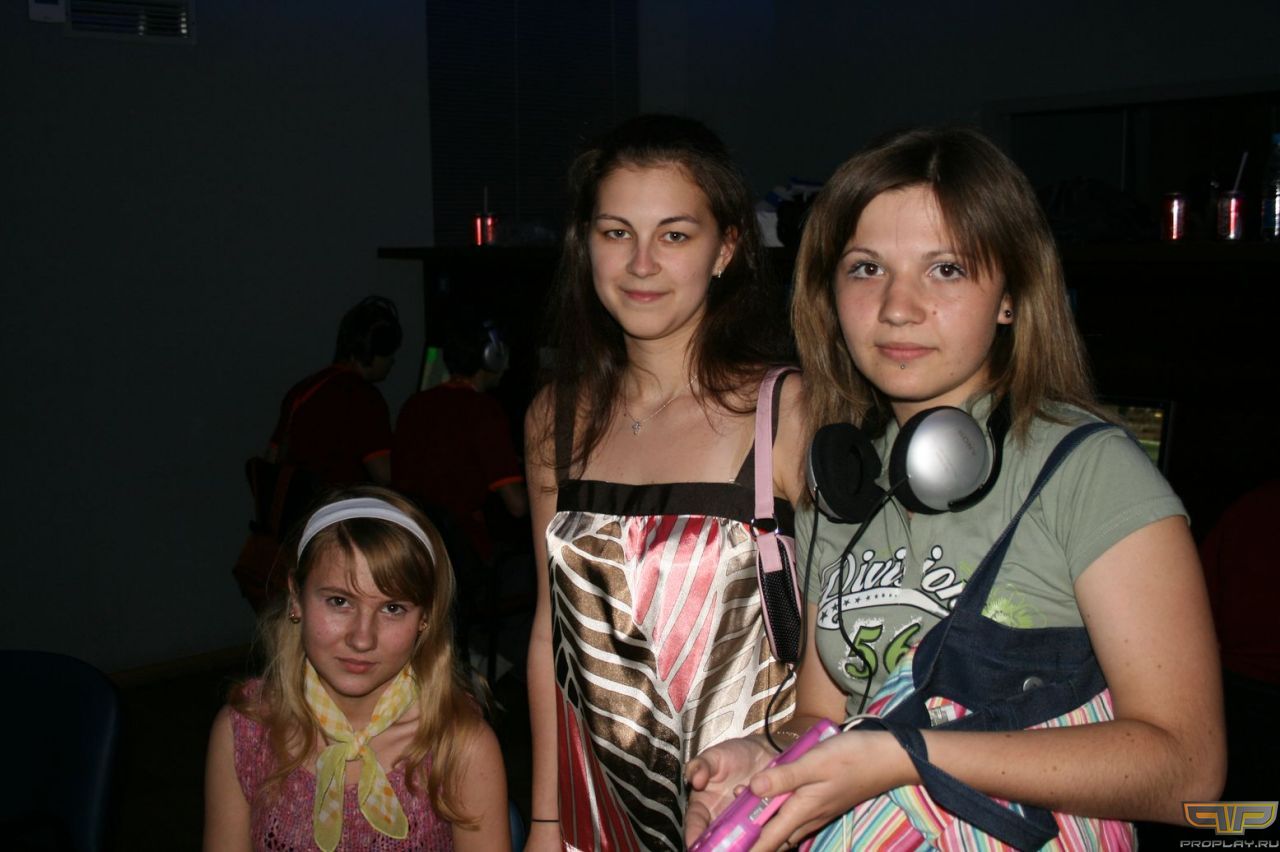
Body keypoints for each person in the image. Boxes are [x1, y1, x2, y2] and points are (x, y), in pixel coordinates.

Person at [685, 127, 1225, 850]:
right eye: (866, 268)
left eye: (946, 269)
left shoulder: (1090, 472)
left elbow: (1188, 772)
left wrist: (909, 756)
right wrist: (764, 762)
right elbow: (822, 719)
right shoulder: (844, 480)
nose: (897, 307)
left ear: (1011, 297)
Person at [524, 114, 808, 852]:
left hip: (749, 813)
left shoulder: (787, 411)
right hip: (597, 813)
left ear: (726, 249)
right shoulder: (556, 417)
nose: (641, 263)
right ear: (585, 242)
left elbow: (842, 641)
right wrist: (547, 822)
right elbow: (551, 631)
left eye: (675, 235)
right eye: (616, 232)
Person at [205, 486, 511, 851]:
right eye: (339, 601)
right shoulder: (246, 732)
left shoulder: (458, 747)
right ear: (296, 597)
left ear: (425, 618)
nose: (362, 639)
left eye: (393, 608)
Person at [392, 313, 527, 566]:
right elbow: (517, 505)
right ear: (490, 356)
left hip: (408, 543)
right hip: (460, 552)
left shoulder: (414, 405)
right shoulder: (483, 410)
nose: (507, 365)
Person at [267, 295, 402, 490]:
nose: (393, 361)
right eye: (390, 354)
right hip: (340, 504)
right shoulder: (364, 397)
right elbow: (384, 474)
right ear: (373, 352)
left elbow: (272, 460)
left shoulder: (304, 389)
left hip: (299, 506)